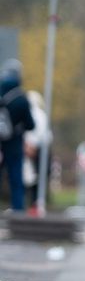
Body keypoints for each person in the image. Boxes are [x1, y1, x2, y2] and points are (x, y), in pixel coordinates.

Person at [0, 62, 32, 213]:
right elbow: (30, 124)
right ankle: (18, 211)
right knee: (16, 179)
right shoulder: (21, 98)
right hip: (14, 144)